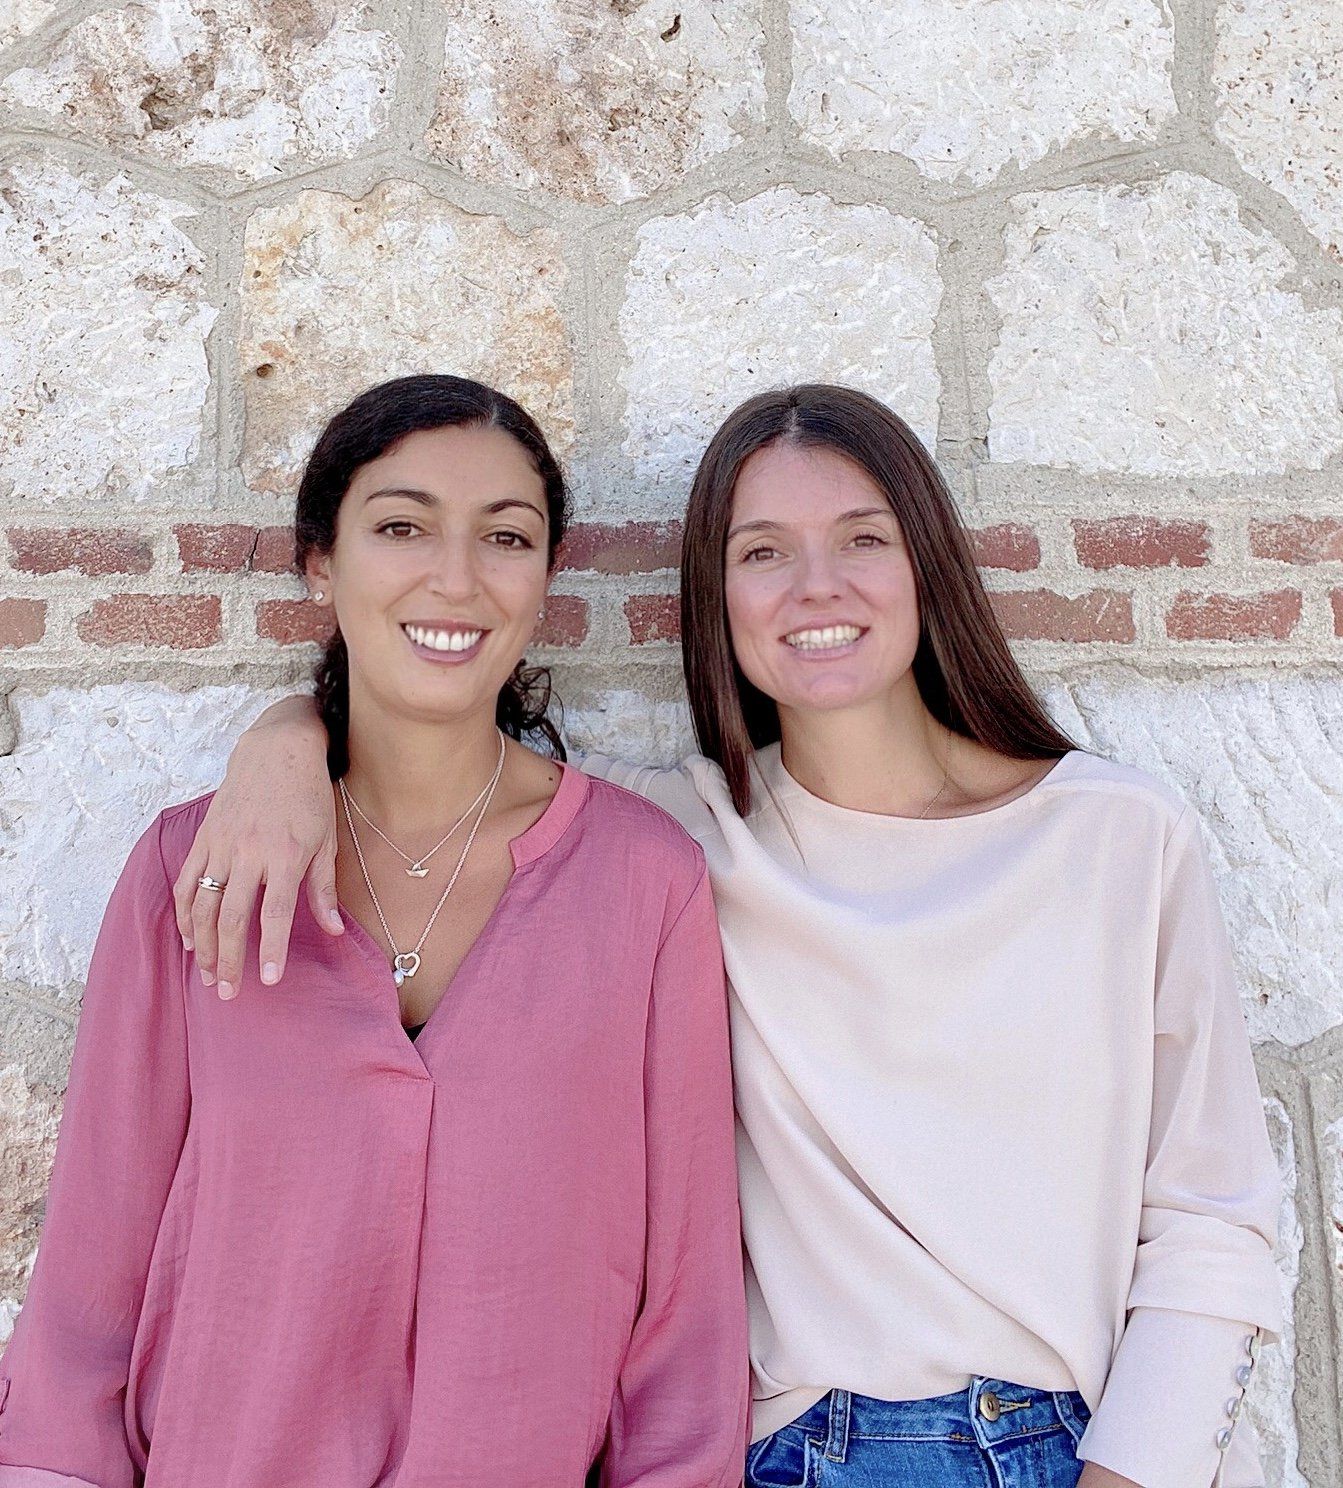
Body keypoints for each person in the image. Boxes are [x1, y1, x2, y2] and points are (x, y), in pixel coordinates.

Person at [172, 383, 1281, 1488]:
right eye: (761, 552)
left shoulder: (1114, 836)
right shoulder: (673, 846)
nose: (816, 586)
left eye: (862, 538)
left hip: (1060, 1446)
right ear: (716, 595)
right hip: (791, 1457)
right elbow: (438, 749)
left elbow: (1212, 1216)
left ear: (927, 564)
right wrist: (284, 742)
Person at [0, 375, 749, 1488]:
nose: (456, 576)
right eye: (401, 527)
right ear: (321, 563)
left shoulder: (646, 882)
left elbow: (685, 1310)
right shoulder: (191, 869)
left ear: (547, 577)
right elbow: (90, 1281)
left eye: (505, 536)